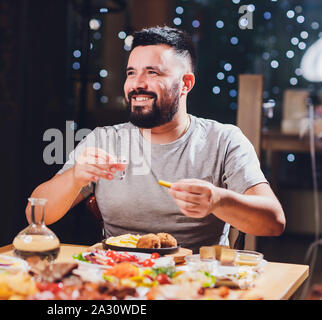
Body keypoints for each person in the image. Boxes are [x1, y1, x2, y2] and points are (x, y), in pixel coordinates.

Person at [27, 26, 285, 252]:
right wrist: (75, 177)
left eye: (153, 73)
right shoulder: (104, 139)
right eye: (131, 73)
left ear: (186, 84)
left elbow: (273, 222)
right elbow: (35, 213)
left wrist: (218, 200)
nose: (137, 84)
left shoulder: (224, 140)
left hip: (198, 284)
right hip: (118, 279)